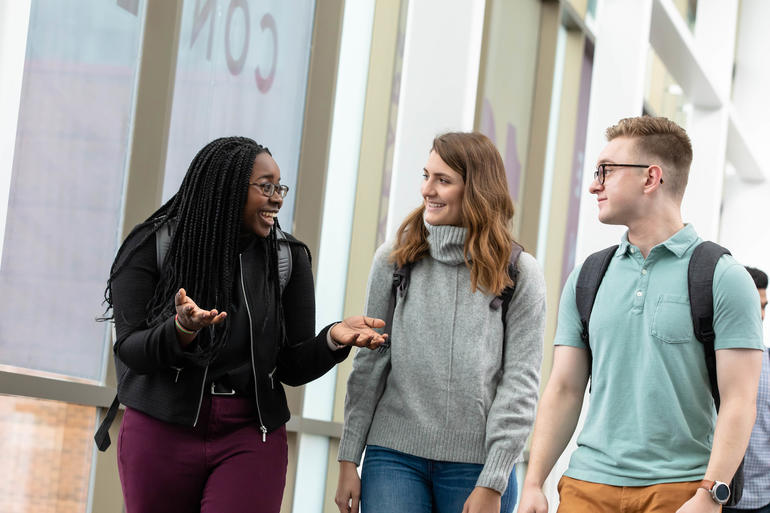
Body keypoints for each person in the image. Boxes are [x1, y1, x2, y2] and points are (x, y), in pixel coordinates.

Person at [100, 136, 388, 513]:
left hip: (251, 434)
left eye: (280, 187)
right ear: (229, 188)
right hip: (161, 428)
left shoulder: (288, 258)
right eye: (266, 187)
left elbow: (292, 365)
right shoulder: (152, 244)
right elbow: (131, 351)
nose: (278, 198)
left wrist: (333, 340)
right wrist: (180, 331)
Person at [517, 116, 765, 513]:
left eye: (606, 171)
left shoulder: (724, 278)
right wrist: (533, 482)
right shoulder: (587, 277)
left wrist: (709, 493)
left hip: (679, 492)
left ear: (651, 178)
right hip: (586, 485)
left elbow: (740, 401)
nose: (594, 184)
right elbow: (564, 388)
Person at [335, 132, 546, 513]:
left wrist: (494, 480)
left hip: (476, 468)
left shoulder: (519, 272)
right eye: (425, 175)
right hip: (393, 457)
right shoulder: (395, 259)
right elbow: (369, 363)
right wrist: (349, 457)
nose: (426, 190)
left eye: (443, 180)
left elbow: (521, 384)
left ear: (477, 190)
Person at [724, 267, 769, 513]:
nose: (761, 315)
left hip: (762, 501)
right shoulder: (704, 362)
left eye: (764, 306)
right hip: (711, 496)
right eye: (755, 304)